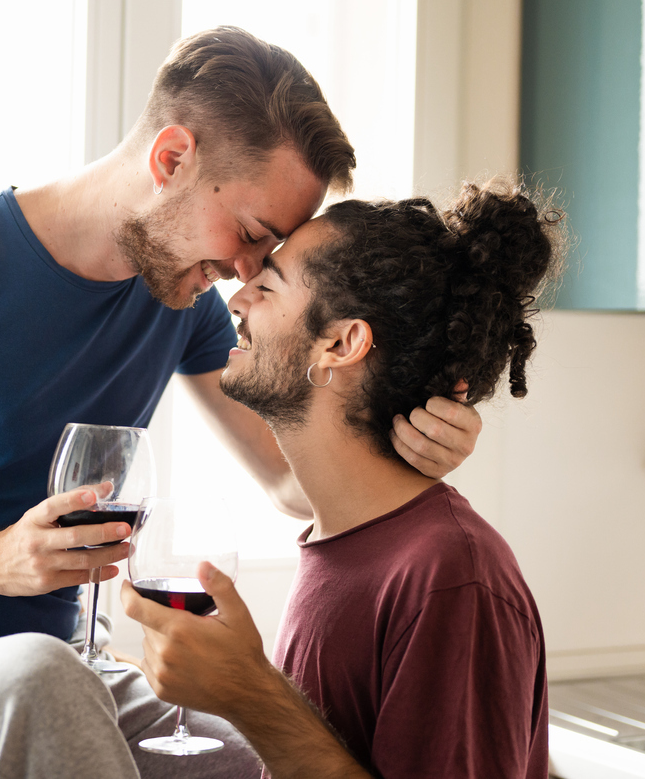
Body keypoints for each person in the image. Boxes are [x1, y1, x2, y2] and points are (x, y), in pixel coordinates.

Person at [0, 26, 482, 779]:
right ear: (171, 159)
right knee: (43, 681)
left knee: (259, 757)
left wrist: (412, 445)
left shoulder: (180, 300)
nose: (242, 276)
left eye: (266, 258)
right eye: (249, 234)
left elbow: (291, 482)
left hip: (61, 670)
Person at [122, 181, 563, 779]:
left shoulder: (451, 577)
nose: (236, 298)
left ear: (341, 342)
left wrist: (251, 692)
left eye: (268, 283)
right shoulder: (342, 541)